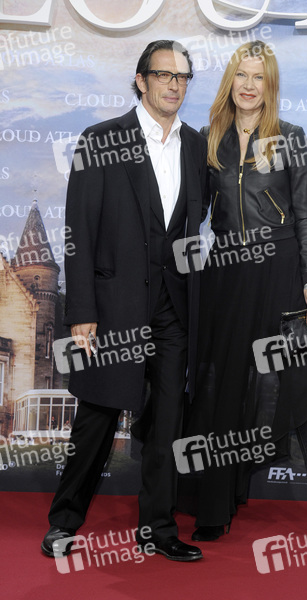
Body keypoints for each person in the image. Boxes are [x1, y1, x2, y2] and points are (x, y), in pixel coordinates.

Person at [180, 41, 307, 555]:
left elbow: (304, 216)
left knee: (300, 392)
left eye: (259, 77)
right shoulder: (211, 140)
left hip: (280, 273)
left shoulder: (289, 137)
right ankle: (215, 507)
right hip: (227, 275)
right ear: (230, 81)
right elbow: (195, 213)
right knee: (222, 388)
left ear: (270, 85)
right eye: (242, 75)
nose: (249, 85)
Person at [41, 40, 207, 562]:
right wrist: (82, 312)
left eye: (182, 77)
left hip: (174, 308)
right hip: (113, 307)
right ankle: (64, 521)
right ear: (141, 80)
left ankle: (158, 528)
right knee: (97, 416)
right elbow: (79, 231)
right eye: (164, 75)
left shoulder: (195, 146)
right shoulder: (101, 139)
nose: (174, 85)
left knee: (166, 424)